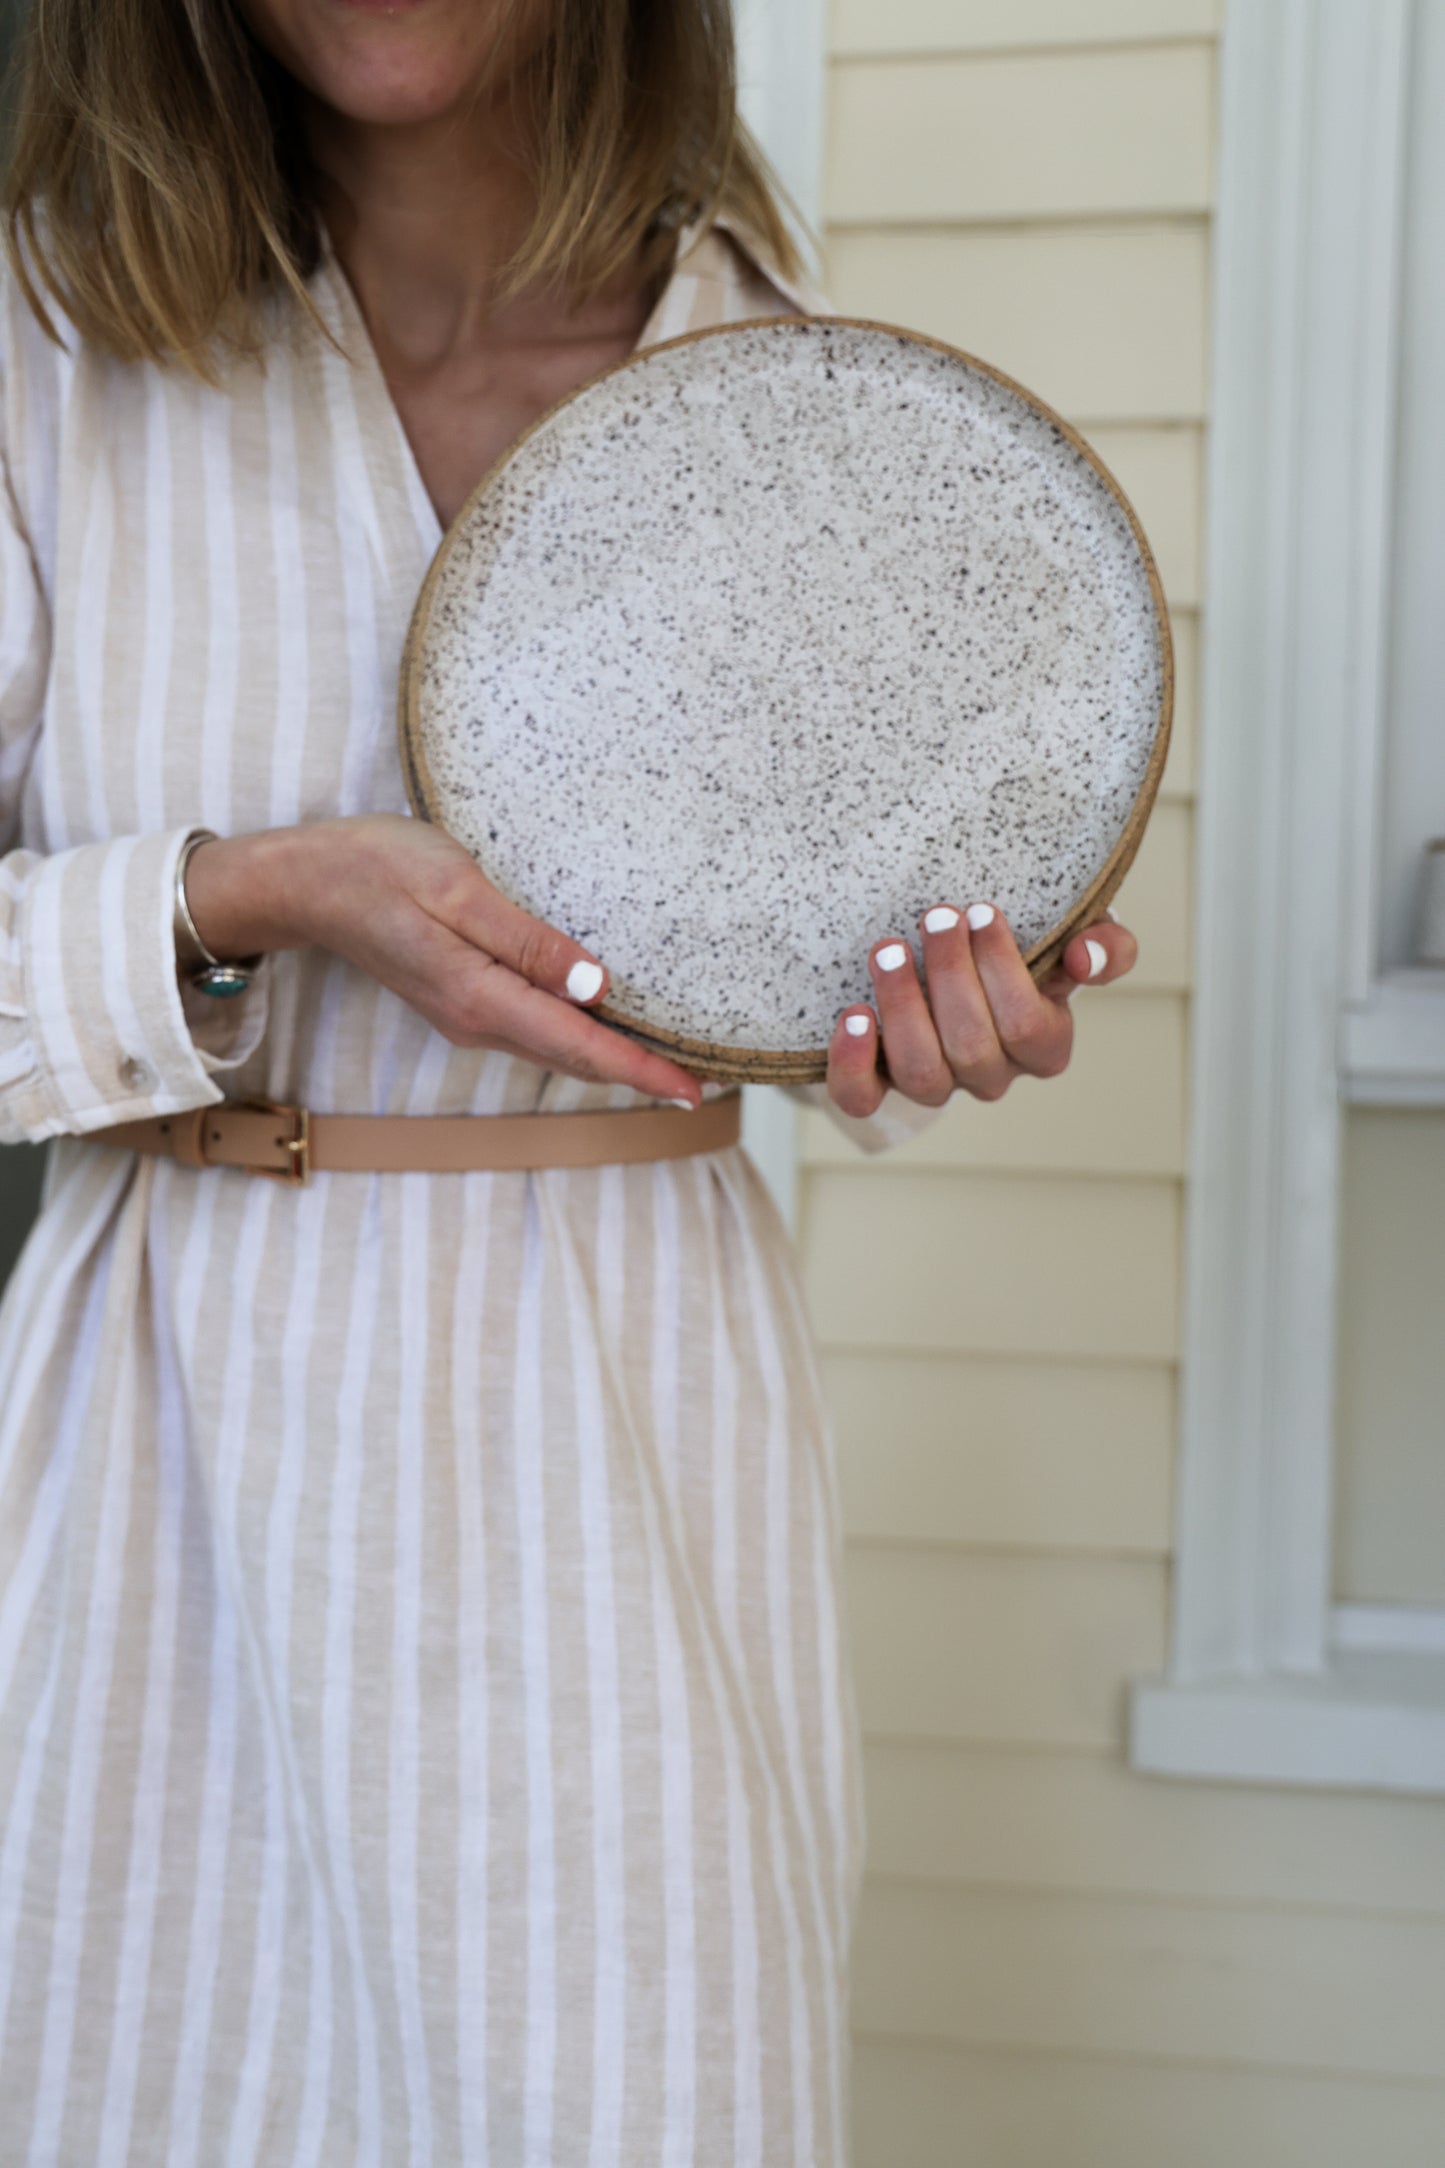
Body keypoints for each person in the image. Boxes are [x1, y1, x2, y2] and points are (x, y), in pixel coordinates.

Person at [0, 0, 1137, 2159]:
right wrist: (251, 889)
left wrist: (923, 1020)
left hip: (622, 1448)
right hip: (163, 1450)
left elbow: (840, 999)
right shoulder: (46, 357)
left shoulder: (815, 406)